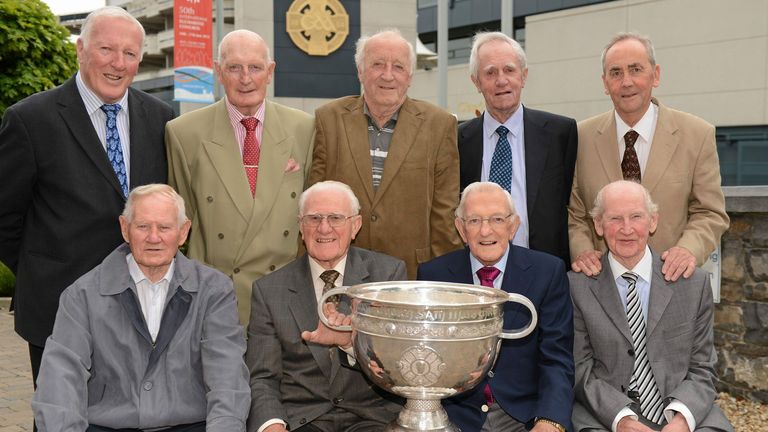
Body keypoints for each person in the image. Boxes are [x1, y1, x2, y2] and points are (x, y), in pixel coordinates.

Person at [0, 6, 174, 385]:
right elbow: (5, 218)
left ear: (140, 59)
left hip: (144, 309)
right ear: (81, 49)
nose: (118, 63)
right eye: (106, 50)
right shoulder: (31, 119)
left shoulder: (162, 120)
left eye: (129, 53)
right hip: (59, 308)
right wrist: (42, 271)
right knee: (60, 419)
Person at [32, 184, 250, 431]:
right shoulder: (82, 294)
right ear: (125, 229)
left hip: (191, 425)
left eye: (165, 227)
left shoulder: (214, 290)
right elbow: (60, 379)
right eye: (143, 226)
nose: (153, 237)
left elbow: (227, 378)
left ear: (183, 231)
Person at [166, 29, 315, 324]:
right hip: (215, 299)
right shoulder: (184, 133)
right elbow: (182, 223)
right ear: (219, 72)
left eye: (255, 67)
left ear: (270, 72)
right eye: (234, 68)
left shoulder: (305, 128)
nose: (245, 78)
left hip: (284, 298)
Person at [568, 180, 733, 432]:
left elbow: (703, 367)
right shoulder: (576, 286)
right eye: (615, 219)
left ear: (653, 221)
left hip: (679, 408)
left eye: (636, 216)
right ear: (598, 225)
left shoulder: (693, 283)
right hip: (606, 413)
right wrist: (621, 419)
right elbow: (580, 369)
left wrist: (681, 419)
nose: (627, 229)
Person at [568, 32, 729, 282]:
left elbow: (710, 212)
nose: (627, 82)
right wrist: (583, 251)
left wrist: (688, 250)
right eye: (616, 72)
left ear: (655, 75)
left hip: (671, 283)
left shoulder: (697, 134)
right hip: (602, 288)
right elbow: (574, 213)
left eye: (635, 69)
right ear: (605, 82)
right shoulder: (581, 137)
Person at [246, 180, 405, 432]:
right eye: (314, 218)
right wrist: (272, 426)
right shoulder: (269, 290)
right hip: (301, 420)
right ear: (301, 226)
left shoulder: (387, 277)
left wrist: (351, 344)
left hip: (372, 418)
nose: (324, 228)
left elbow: (400, 364)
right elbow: (262, 377)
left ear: (356, 225)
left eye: (335, 218)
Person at [418, 182, 574, 432]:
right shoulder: (433, 275)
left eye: (497, 219)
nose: (485, 231)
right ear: (460, 228)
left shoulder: (548, 272)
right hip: (455, 416)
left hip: (525, 416)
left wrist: (550, 420)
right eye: (474, 221)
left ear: (513, 226)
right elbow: (424, 354)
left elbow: (557, 358)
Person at [308, 29, 462, 279]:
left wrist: (442, 280)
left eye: (398, 67)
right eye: (377, 64)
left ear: (410, 76)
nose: (388, 75)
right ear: (360, 71)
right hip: (341, 269)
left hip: (412, 273)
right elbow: (314, 202)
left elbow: (444, 213)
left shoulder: (439, 125)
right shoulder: (329, 119)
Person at [458, 31, 577, 266]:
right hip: (475, 271)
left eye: (509, 70)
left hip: (544, 271)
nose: (501, 80)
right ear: (476, 82)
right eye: (490, 72)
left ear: (523, 76)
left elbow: (573, 205)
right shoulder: (458, 139)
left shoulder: (560, 133)